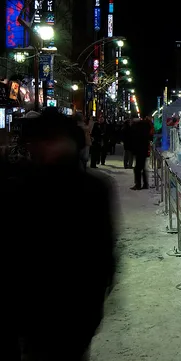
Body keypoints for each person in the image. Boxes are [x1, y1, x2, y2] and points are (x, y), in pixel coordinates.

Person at [3, 108, 116, 361]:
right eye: (42, 141)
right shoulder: (21, 187)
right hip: (34, 312)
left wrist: (93, 304)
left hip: (71, 311)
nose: (46, 147)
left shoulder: (91, 189)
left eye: (52, 140)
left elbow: (103, 252)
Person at [130, 116, 153, 190]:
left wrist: (134, 150)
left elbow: (136, 140)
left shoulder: (138, 128)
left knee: (137, 169)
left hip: (139, 151)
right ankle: (145, 184)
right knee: (142, 168)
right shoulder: (145, 128)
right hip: (143, 150)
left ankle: (138, 184)